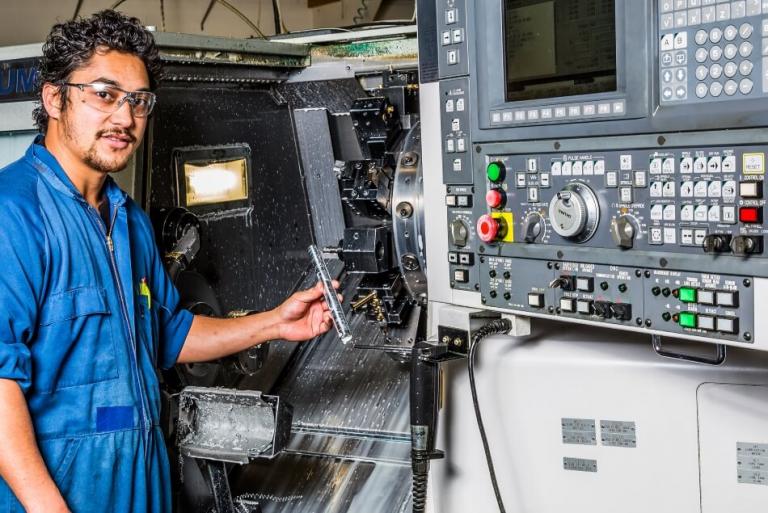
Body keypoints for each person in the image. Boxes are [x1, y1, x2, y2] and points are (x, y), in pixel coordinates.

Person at [0, 10, 338, 513]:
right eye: (104, 94)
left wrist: (274, 323)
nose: (124, 117)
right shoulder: (14, 213)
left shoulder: (127, 219)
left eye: (138, 101)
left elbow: (167, 333)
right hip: (60, 493)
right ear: (54, 97)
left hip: (143, 482)